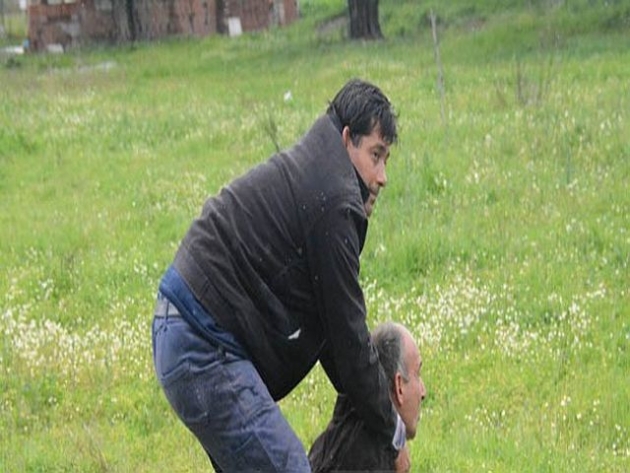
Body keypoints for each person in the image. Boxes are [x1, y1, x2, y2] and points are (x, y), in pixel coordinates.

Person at [151, 78, 407, 472]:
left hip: (188, 330)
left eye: (386, 158)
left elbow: (331, 331)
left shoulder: (318, 174)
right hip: (203, 342)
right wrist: (393, 433)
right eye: (375, 155)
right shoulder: (335, 201)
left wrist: (367, 408)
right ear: (346, 139)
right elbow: (347, 333)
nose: (382, 176)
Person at [308, 322, 427, 472]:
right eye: (417, 374)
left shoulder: (334, 439)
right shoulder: (377, 461)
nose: (423, 392)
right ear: (399, 386)